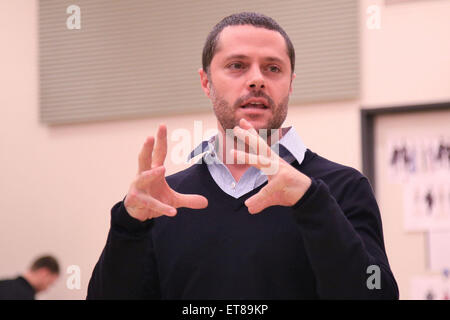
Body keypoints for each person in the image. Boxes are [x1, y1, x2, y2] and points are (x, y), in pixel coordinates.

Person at [87, 12, 399, 299]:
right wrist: (129, 225)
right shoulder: (164, 200)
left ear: (290, 83)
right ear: (206, 82)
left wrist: (310, 202)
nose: (257, 79)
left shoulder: (341, 187)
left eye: (273, 68)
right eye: (237, 65)